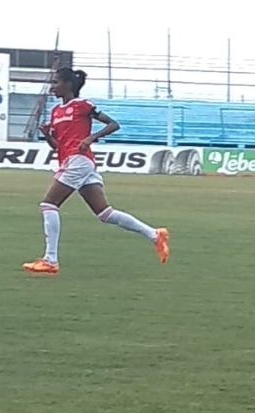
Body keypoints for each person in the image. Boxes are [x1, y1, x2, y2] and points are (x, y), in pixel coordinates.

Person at [23, 67, 170, 274]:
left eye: (56, 82)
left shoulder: (83, 106)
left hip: (79, 160)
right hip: (74, 161)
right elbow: (57, 146)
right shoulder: (56, 112)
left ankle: (51, 260)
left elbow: (113, 124)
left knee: (49, 204)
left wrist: (91, 137)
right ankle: (155, 235)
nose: (53, 86)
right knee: (105, 213)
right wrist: (48, 136)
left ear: (68, 84)